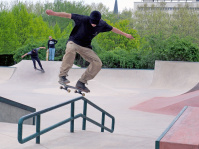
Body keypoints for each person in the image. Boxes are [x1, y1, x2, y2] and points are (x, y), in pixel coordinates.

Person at [46, 9, 134, 93]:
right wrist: (53, 13)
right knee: (70, 50)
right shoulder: (83, 19)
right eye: (92, 23)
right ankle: (62, 76)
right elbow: (67, 15)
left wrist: (125, 34)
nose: (93, 25)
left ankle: (81, 82)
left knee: (97, 63)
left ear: (99, 21)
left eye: (95, 23)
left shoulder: (102, 24)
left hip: (86, 47)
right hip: (74, 42)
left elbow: (113, 29)